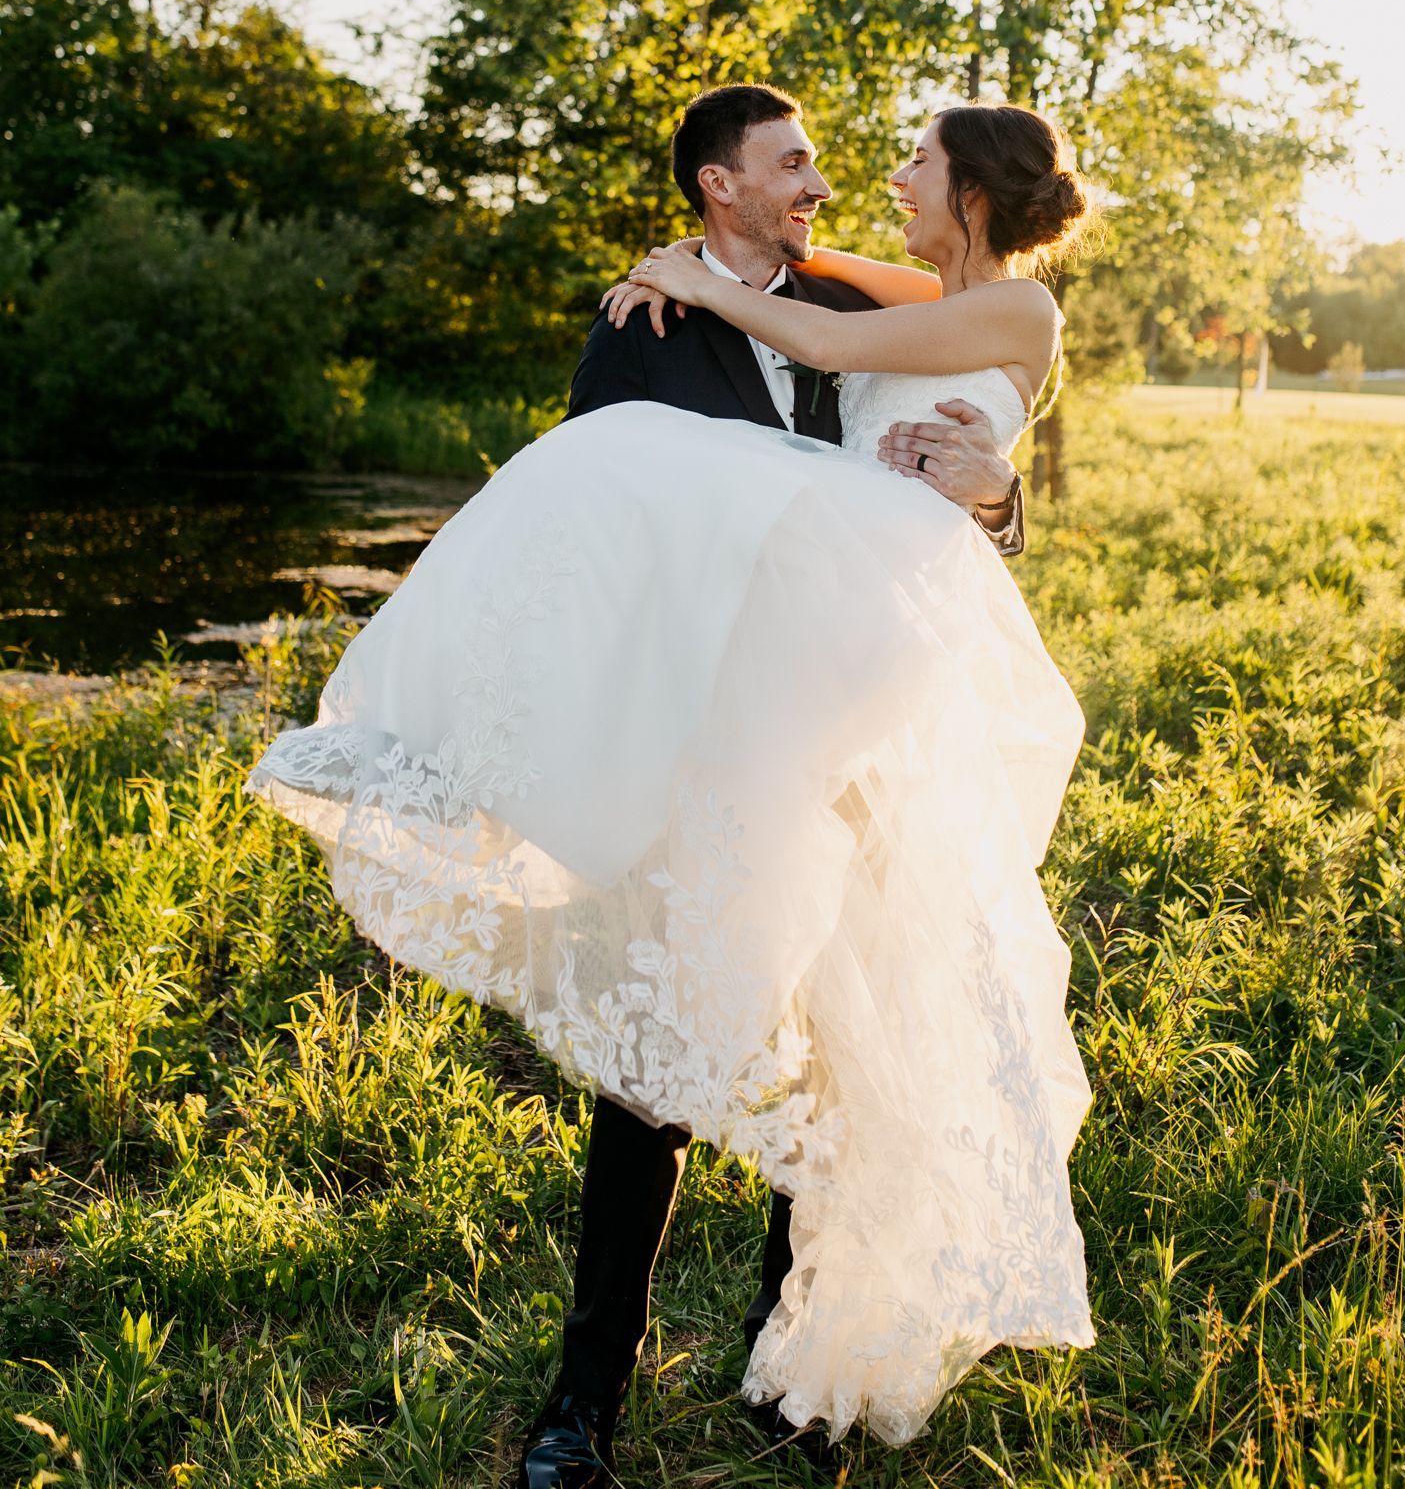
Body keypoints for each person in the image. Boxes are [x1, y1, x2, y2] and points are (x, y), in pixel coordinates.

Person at [246, 84, 1096, 1488]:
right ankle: (585, 1398)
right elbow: (602, 537)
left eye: (904, 161)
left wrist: (999, 496)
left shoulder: (926, 309)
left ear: (974, 195)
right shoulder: (688, 315)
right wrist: (671, 275)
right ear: (720, 187)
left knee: (846, 1036)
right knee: (660, 1051)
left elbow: (875, 401)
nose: (852, 180)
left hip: (872, 714)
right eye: (799, 164)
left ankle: (792, 1362)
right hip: (724, 729)